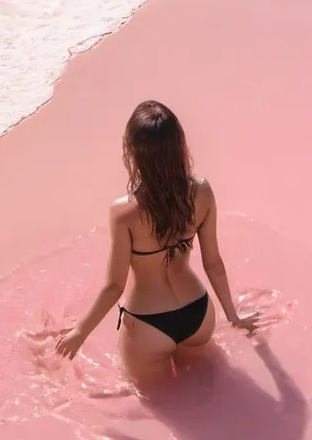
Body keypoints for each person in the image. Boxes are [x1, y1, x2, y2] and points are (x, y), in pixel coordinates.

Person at [55, 100, 259, 385]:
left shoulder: (123, 212)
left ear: (132, 153)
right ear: (180, 146)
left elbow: (114, 286)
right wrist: (233, 317)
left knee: (160, 405)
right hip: (198, 315)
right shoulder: (201, 192)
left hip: (148, 324)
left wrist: (80, 331)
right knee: (201, 389)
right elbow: (213, 263)